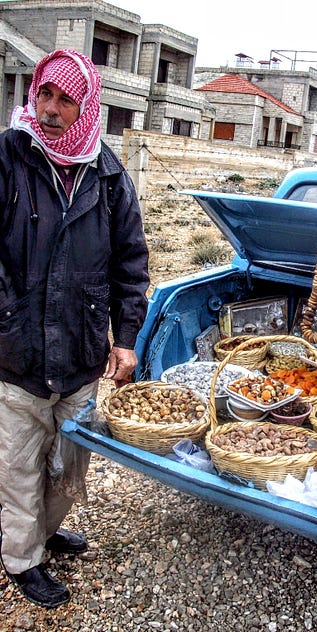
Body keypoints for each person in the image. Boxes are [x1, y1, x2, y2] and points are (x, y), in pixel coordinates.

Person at [0, 49, 150, 608]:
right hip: (18, 352)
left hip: (84, 352)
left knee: (69, 461)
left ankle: (42, 529)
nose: (51, 108)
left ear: (86, 106)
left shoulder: (108, 173)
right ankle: (20, 558)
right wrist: (7, 317)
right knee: (16, 462)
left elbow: (130, 264)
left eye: (66, 98)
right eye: (44, 94)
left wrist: (128, 339)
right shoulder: (9, 156)